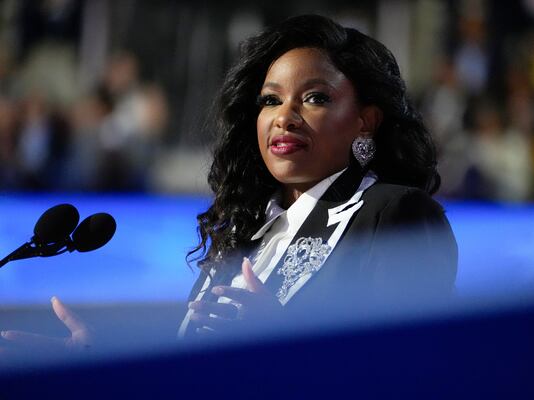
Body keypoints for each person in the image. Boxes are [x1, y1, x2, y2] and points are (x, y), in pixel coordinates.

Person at [0, 15, 457, 351]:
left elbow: (408, 373)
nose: (284, 117)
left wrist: (279, 338)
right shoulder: (241, 231)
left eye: (315, 97)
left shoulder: (396, 214)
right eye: (271, 100)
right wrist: (103, 361)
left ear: (365, 121)